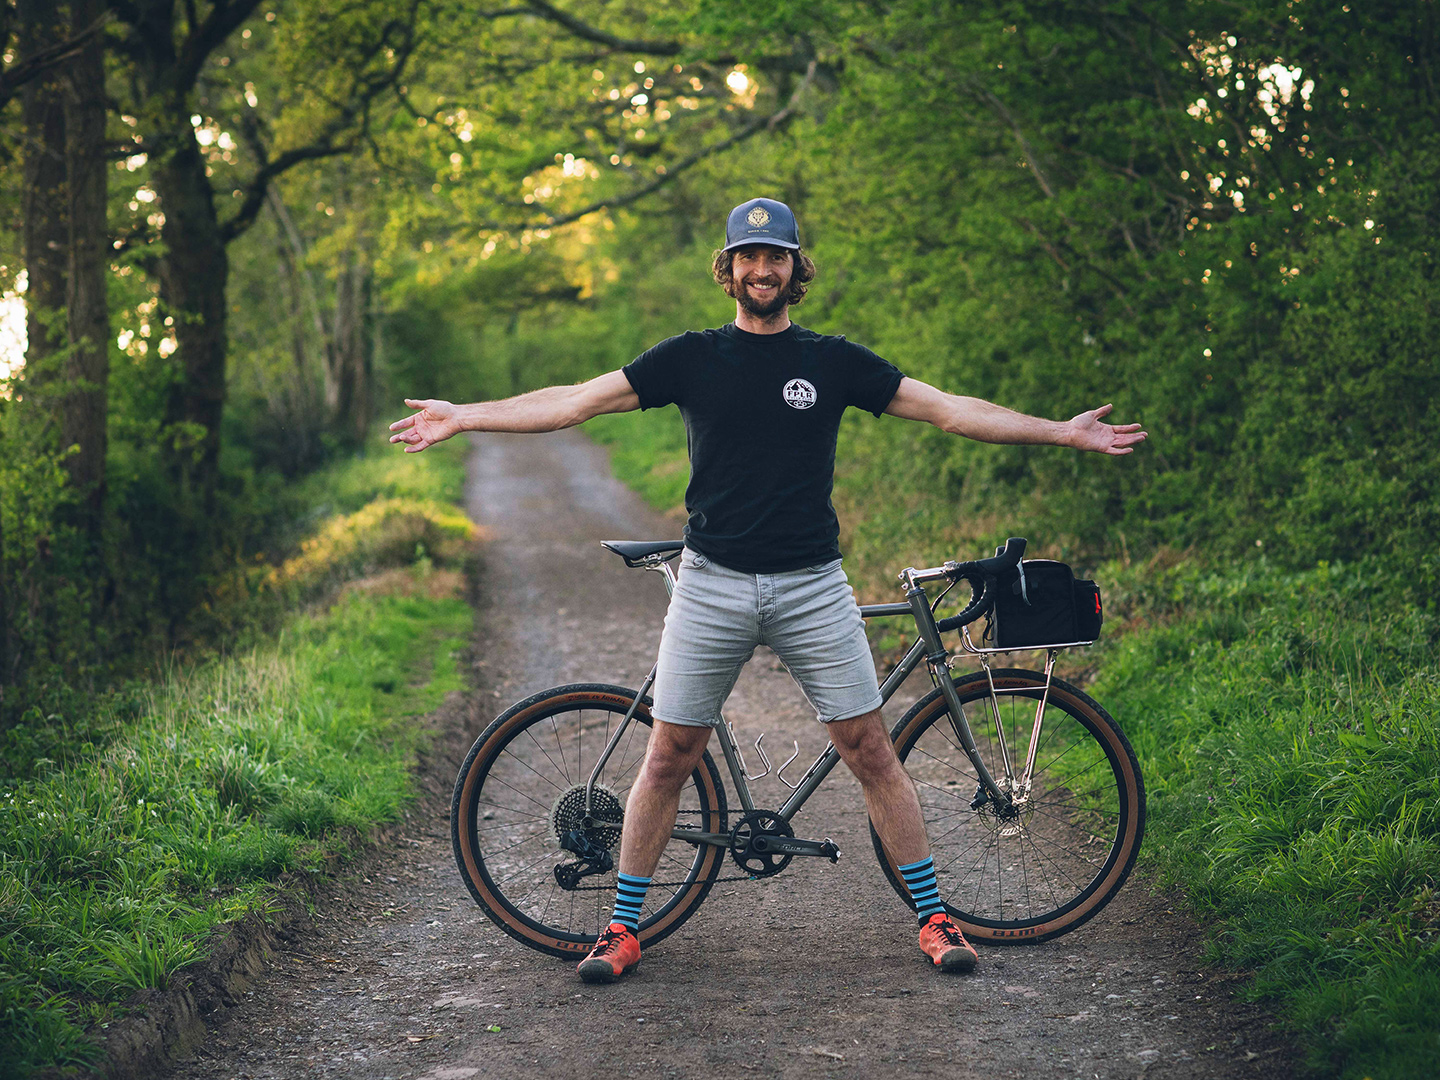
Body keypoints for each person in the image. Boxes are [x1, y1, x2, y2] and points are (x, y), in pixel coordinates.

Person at [389, 197, 1146, 985]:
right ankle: (621, 928)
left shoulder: (833, 361)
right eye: (748, 258)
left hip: (812, 586)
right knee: (668, 756)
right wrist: (466, 416)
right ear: (728, 269)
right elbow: (573, 401)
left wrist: (1062, 430)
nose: (762, 270)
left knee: (871, 751)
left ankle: (934, 918)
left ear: (795, 268)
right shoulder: (689, 357)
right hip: (711, 583)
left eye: (775, 257)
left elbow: (949, 411)